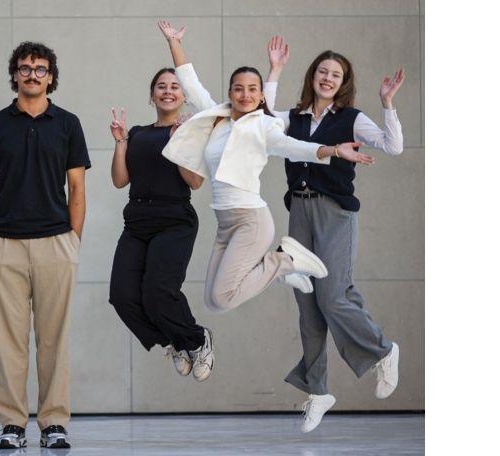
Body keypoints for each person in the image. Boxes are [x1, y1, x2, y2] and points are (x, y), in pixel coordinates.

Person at [155, 21, 375, 350]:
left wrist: (332, 150)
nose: (245, 95)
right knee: (213, 302)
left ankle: (284, 261)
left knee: (223, 295)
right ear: (230, 93)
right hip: (225, 222)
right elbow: (190, 81)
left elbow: (296, 148)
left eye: (252, 89)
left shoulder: (266, 126)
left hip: (251, 221)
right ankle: (284, 267)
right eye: (238, 89)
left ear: (260, 96)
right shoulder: (218, 117)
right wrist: (174, 42)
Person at [262, 36, 406, 433]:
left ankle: (382, 350)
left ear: (343, 83)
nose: (327, 78)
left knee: (333, 295)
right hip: (299, 210)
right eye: (322, 72)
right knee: (308, 305)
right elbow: (264, 122)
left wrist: (388, 103)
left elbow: (393, 146)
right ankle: (317, 391)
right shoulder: (294, 117)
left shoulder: (352, 118)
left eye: (335, 75)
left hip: (335, 213)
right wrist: (274, 70)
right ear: (313, 76)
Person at [0, 41, 89, 449]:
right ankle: (12, 424)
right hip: (3, 245)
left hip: (56, 242)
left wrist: (72, 240)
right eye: (25, 68)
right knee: (8, 342)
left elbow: (77, 188)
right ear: (15, 75)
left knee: (54, 339)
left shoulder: (68, 124)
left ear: (50, 77)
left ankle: (54, 423)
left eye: (40, 69)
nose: (32, 74)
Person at [106, 68, 213, 383]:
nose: (168, 91)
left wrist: (179, 141)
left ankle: (196, 339)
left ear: (183, 96)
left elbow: (195, 182)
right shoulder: (137, 134)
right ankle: (174, 341)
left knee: (158, 292)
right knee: (122, 296)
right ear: (152, 95)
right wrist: (121, 142)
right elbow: (120, 180)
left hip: (174, 221)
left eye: (175, 87)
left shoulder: (190, 132)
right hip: (137, 222)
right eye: (161, 86)